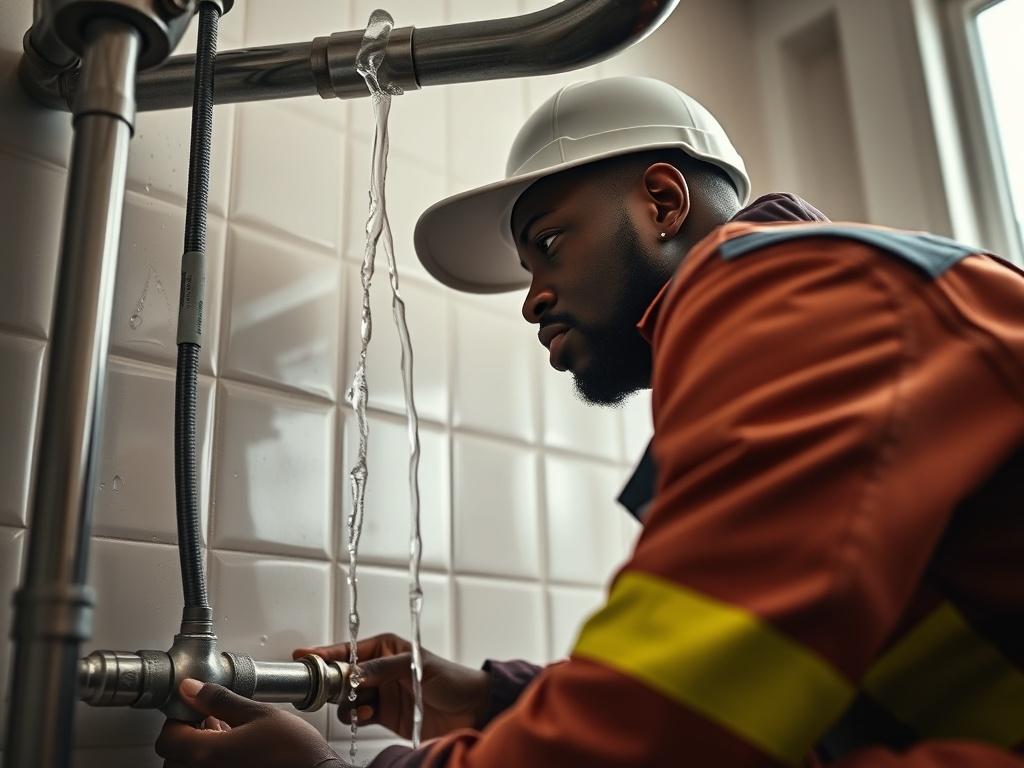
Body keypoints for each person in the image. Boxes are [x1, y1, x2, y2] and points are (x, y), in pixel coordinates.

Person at [156, 76, 1024, 767]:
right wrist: (483, 701)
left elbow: (665, 731)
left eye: (549, 243)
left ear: (661, 201)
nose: (531, 297)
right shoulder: (816, 307)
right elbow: (755, 686)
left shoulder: (790, 296)